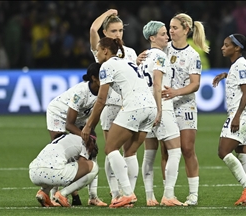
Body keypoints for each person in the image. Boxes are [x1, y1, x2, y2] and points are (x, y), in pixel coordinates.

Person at [81, 37, 158, 208]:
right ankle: (127, 197)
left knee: (110, 148)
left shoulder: (107, 66)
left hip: (135, 106)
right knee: (130, 152)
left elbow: (101, 100)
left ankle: (127, 194)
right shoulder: (126, 62)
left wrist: (88, 125)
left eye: (99, 50)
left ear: (106, 51)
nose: (97, 53)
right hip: (151, 107)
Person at [159, 12, 210, 206]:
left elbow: (195, 84)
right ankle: (168, 193)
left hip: (185, 105)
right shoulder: (163, 50)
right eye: (170, 28)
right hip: (165, 105)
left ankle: (193, 194)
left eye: (174, 28)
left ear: (186, 30)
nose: (170, 31)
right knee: (166, 151)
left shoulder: (192, 55)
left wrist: (175, 92)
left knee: (187, 149)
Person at [89, 9, 140, 200]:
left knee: (129, 150)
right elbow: (93, 29)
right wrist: (108, 12)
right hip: (110, 105)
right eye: (113, 31)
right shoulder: (101, 51)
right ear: (105, 34)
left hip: (130, 105)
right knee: (112, 149)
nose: (118, 35)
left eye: (120, 31)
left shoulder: (131, 53)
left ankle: (128, 191)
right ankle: (115, 193)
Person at [46, 62, 107, 207]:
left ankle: (93, 197)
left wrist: (91, 135)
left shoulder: (104, 90)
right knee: (62, 152)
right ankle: (53, 196)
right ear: (94, 78)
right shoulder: (80, 92)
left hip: (81, 119)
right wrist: (84, 136)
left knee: (92, 152)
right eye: (102, 77)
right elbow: (69, 124)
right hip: (58, 114)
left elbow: (96, 114)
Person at [212, 33, 246, 206]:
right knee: (243, 154)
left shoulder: (240, 65)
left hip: (240, 115)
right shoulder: (237, 65)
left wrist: (237, 116)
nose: (222, 47)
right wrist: (226, 75)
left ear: (237, 47)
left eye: (226, 45)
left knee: (223, 151)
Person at [139, 21, 185, 207]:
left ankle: (150, 198)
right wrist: (159, 109)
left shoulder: (143, 57)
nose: (167, 36)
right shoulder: (159, 56)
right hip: (161, 107)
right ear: (152, 38)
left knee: (149, 155)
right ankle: (168, 195)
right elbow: (157, 85)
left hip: (144, 109)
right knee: (175, 151)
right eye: (162, 33)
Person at [29, 133, 99, 207]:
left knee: (58, 166)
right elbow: (82, 165)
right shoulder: (85, 141)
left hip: (33, 172)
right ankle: (62, 194)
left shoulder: (63, 138)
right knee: (94, 167)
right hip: (54, 172)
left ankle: (44, 192)